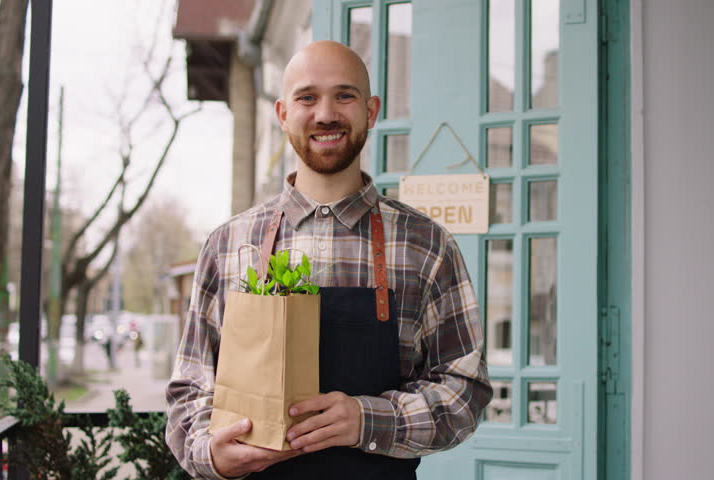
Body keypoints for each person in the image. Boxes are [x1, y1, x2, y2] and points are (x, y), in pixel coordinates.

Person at [165, 40, 492, 479]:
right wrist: (212, 455)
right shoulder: (228, 245)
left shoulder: (426, 245)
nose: (325, 114)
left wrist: (367, 419)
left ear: (371, 111)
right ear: (282, 114)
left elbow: (464, 390)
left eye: (344, 95)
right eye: (307, 97)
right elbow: (190, 392)